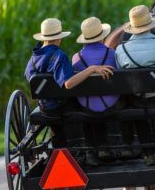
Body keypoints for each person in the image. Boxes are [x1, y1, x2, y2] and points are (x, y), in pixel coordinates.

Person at [25, 18, 114, 148]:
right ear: (59, 38)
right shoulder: (58, 56)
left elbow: (29, 76)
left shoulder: (34, 57)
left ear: (44, 38)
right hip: (59, 106)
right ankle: (90, 147)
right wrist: (92, 69)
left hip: (45, 106)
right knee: (83, 104)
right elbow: (68, 83)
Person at [115, 5, 155, 168]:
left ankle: (149, 153)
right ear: (151, 25)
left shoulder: (121, 49)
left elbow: (120, 72)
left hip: (138, 100)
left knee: (135, 105)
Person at [71, 17, 121, 165]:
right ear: (103, 35)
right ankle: (110, 146)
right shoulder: (112, 54)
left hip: (87, 107)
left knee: (86, 106)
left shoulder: (76, 58)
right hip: (111, 105)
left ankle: (91, 152)